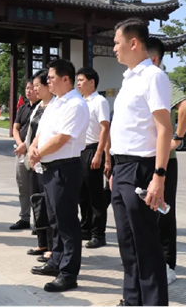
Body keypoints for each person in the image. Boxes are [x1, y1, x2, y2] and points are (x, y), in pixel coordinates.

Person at [110, 18, 172, 307]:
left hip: (142, 169)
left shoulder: (153, 77)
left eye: (117, 42)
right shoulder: (128, 79)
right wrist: (114, 169)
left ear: (134, 43)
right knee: (127, 244)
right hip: (122, 169)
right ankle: (132, 301)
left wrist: (159, 176)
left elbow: (163, 128)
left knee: (146, 245)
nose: (114, 49)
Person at [29, 59, 89, 293]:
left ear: (66, 79)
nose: (48, 82)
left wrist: (38, 154)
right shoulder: (55, 103)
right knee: (53, 219)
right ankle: (56, 260)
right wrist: (34, 148)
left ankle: (68, 272)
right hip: (48, 166)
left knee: (66, 222)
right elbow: (42, 131)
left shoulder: (76, 105)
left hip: (64, 167)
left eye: (52, 78)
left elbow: (62, 138)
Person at [147, 36, 186, 286]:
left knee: (163, 212)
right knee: (148, 211)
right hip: (144, 158)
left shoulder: (162, 80)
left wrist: (177, 137)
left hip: (165, 159)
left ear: (153, 59)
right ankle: (152, 260)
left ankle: (167, 264)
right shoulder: (141, 81)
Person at [76, 67, 111, 249]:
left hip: (92, 149)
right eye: (78, 80)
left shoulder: (100, 101)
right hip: (80, 151)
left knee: (96, 197)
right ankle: (86, 227)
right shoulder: (81, 102)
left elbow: (105, 129)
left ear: (92, 82)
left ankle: (99, 234)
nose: (78, 83)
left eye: (81, 80)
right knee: (82, 194)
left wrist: (101, 155)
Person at [23, 70, 54, 262]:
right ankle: (42, 241)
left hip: (46, 161)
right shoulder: (38, 107)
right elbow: (32, 133)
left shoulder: (54, 106)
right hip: (34, 162)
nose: (34, 89)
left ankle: (51, 246)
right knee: (38, 202)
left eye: (37, 85)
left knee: (49, 204)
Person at [11, 80, 40, 230]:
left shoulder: (42, 108)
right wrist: (20, 143)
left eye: (32, 88)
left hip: (34, 152)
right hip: (21, 151)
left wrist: (26, 146)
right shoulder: (23, 108)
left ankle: (38, 221)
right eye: (27, 88)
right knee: (22, 186)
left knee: (36, 187)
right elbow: (15, 128)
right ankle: (24, 217)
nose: (29, 91)